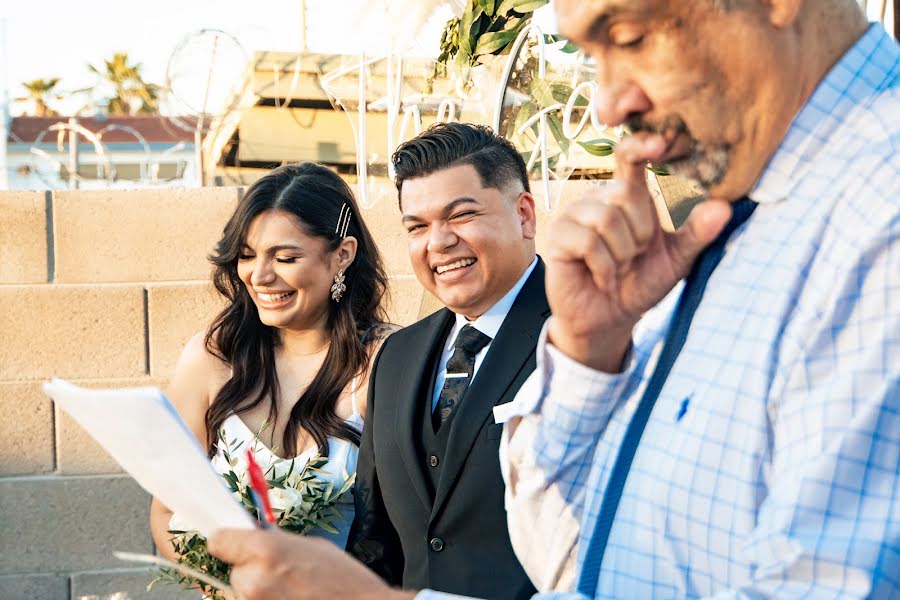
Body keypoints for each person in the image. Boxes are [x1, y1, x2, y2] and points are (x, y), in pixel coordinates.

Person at [208, 0, 899, 597]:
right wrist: (587, 357)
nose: (608, 104)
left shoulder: (880, 219)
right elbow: (581, 561)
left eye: (627, 36)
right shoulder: (732, 230)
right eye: (417, 225)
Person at [149, 162, 396, 557]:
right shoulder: (211, 357)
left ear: (343, 255)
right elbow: (166, 512)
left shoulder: (385, 360)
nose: (259, 276)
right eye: (247, 255)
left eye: (284, 257)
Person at [346, 122, 545, 599]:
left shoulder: (592, 340)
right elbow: (375, 540)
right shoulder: (396, 356)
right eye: (417, 226)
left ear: (524, 215)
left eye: (460, 215)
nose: (437, 243)